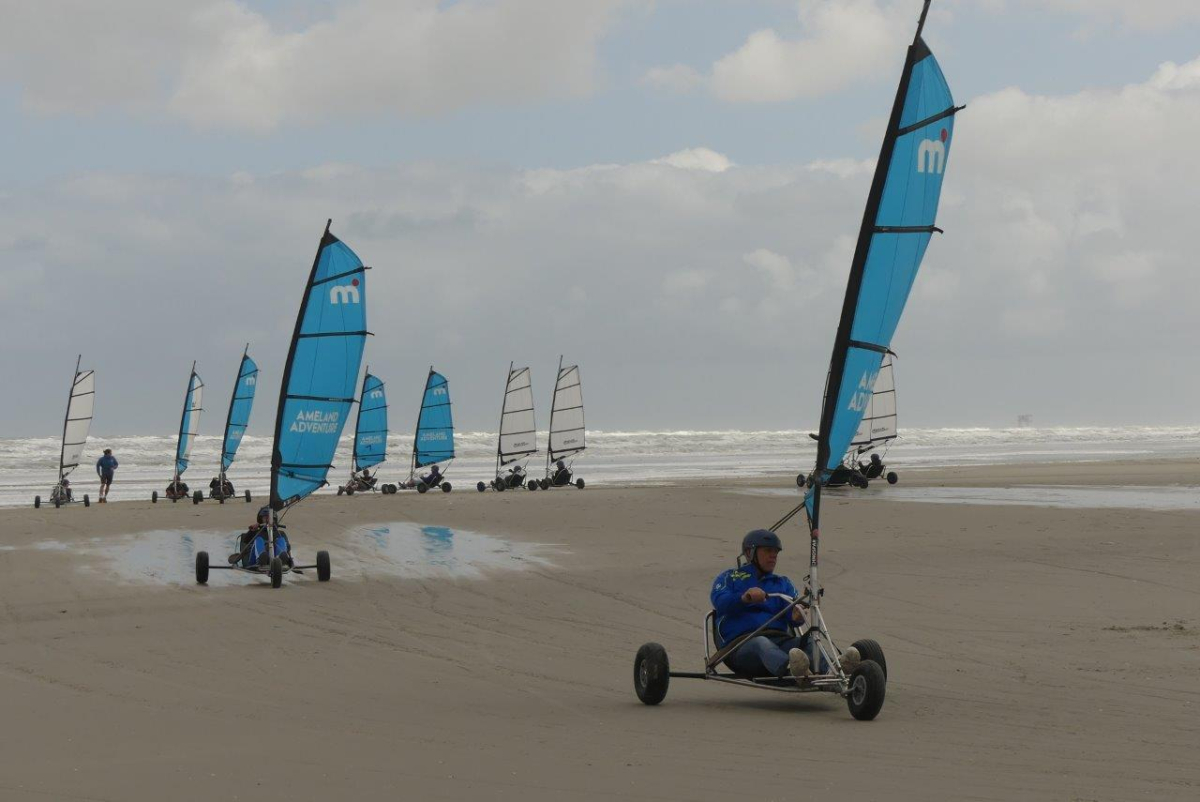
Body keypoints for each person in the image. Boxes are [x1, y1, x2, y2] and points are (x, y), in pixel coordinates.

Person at [710, 529, 859, 680]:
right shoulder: (730, 577)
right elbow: (720, 602)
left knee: (808, 641)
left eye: (776, 552)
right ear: (750, 553)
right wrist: (745, 598)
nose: (773, 556)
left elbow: (793, 618)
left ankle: (831, 671)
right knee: (761, 643)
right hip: (739, 647)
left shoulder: (782, 583)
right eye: (768, 551)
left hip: (779, 640)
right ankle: (791, 670)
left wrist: (797, 615)